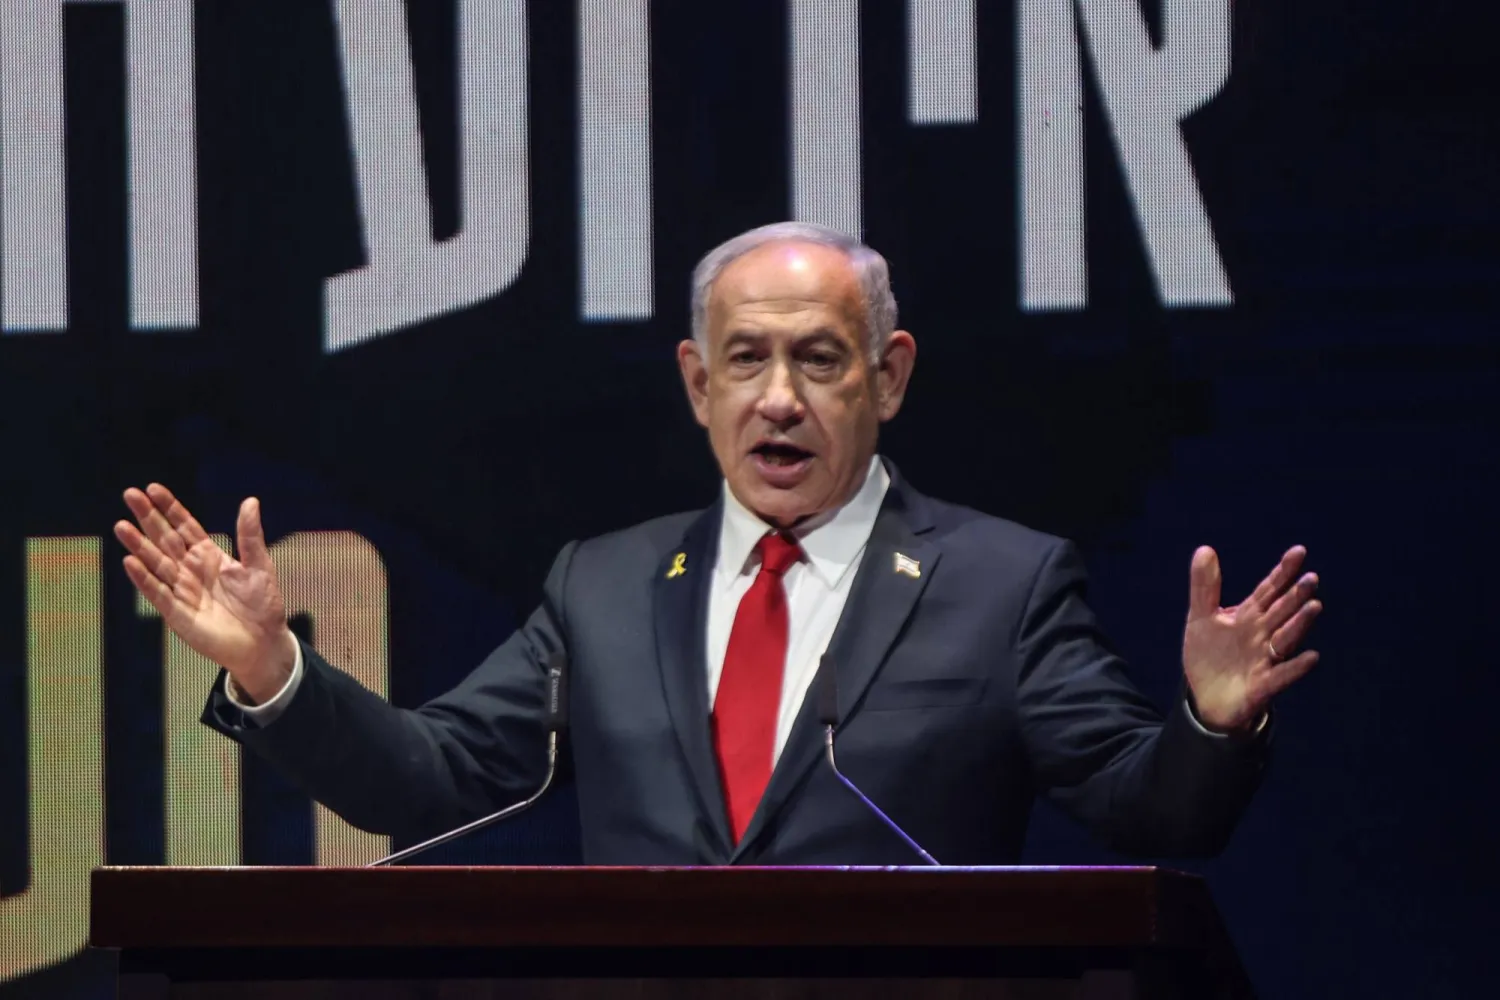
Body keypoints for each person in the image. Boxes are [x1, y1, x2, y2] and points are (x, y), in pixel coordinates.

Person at [114, 222, 1322, 865]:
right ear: (697, 384)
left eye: (818, 359)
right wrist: (274, 671)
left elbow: (1149, 813)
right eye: (745, 360)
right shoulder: (606, 585)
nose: (779, 399)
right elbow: (421, 782)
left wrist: (1209, 721)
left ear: (887, 377)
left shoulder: (1002, 584)